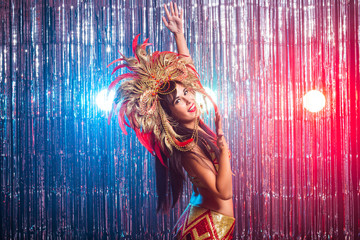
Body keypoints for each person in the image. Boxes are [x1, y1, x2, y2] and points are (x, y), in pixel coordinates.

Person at [107, 2, 234, 239]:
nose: (187, 100)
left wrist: (179, 34)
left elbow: (189, 75)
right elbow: (223, 193)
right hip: (208, 229)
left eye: (186, 93)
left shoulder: (196, 128)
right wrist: (224, 149)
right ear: (170, 115)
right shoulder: (188, 147)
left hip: (209, 222)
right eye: (178, 102)